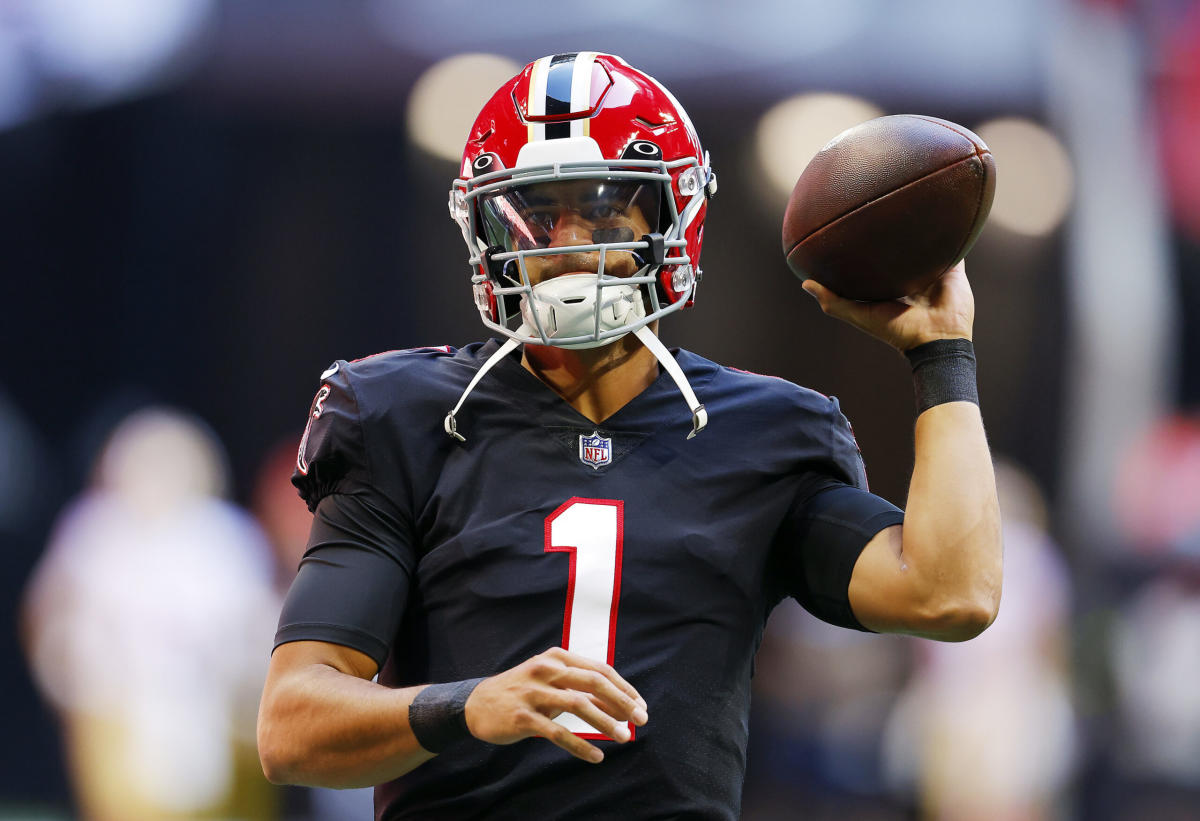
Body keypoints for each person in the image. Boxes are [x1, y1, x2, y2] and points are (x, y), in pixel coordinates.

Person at [257, 52, 1003, 820]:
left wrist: (941, 353)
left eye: (607, 210)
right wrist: (468, 704)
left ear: (672, 218)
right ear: (484, 227)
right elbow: (292, 724)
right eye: (539, 215)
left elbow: (951, 594)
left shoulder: (765, 431)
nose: (572, 245)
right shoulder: (405, 414)